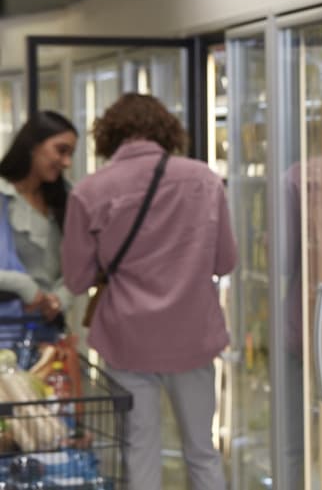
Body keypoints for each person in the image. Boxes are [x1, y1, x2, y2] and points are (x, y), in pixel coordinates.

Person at [62, 93, 236, 490]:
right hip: (192, 335)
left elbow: (75, 280)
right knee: (202, 451)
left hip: (127, 340)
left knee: (138, 449)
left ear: (109, 135)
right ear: (166, 130)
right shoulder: (204, 180)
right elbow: (225, 261)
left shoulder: (89, 192)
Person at [0, 111, 78, 327]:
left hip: (49, 331)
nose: (67, 162)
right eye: (61, 150)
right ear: (33, 145)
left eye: (70, 154)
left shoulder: (68, 197)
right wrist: (23, 285)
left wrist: (61, 298)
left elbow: (83, 261)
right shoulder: (3, 194)